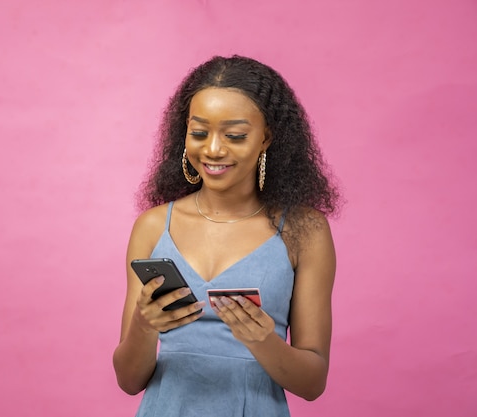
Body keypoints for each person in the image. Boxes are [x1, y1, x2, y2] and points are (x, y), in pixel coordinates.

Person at [113, 55, 340, 417]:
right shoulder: (154, 226)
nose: (213, 149)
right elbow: (128, 380)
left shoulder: (304, 231)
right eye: (199, 133)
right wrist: (144, 325)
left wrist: (263, 341)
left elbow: (313, 384)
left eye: (234, 135)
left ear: (266, 137)